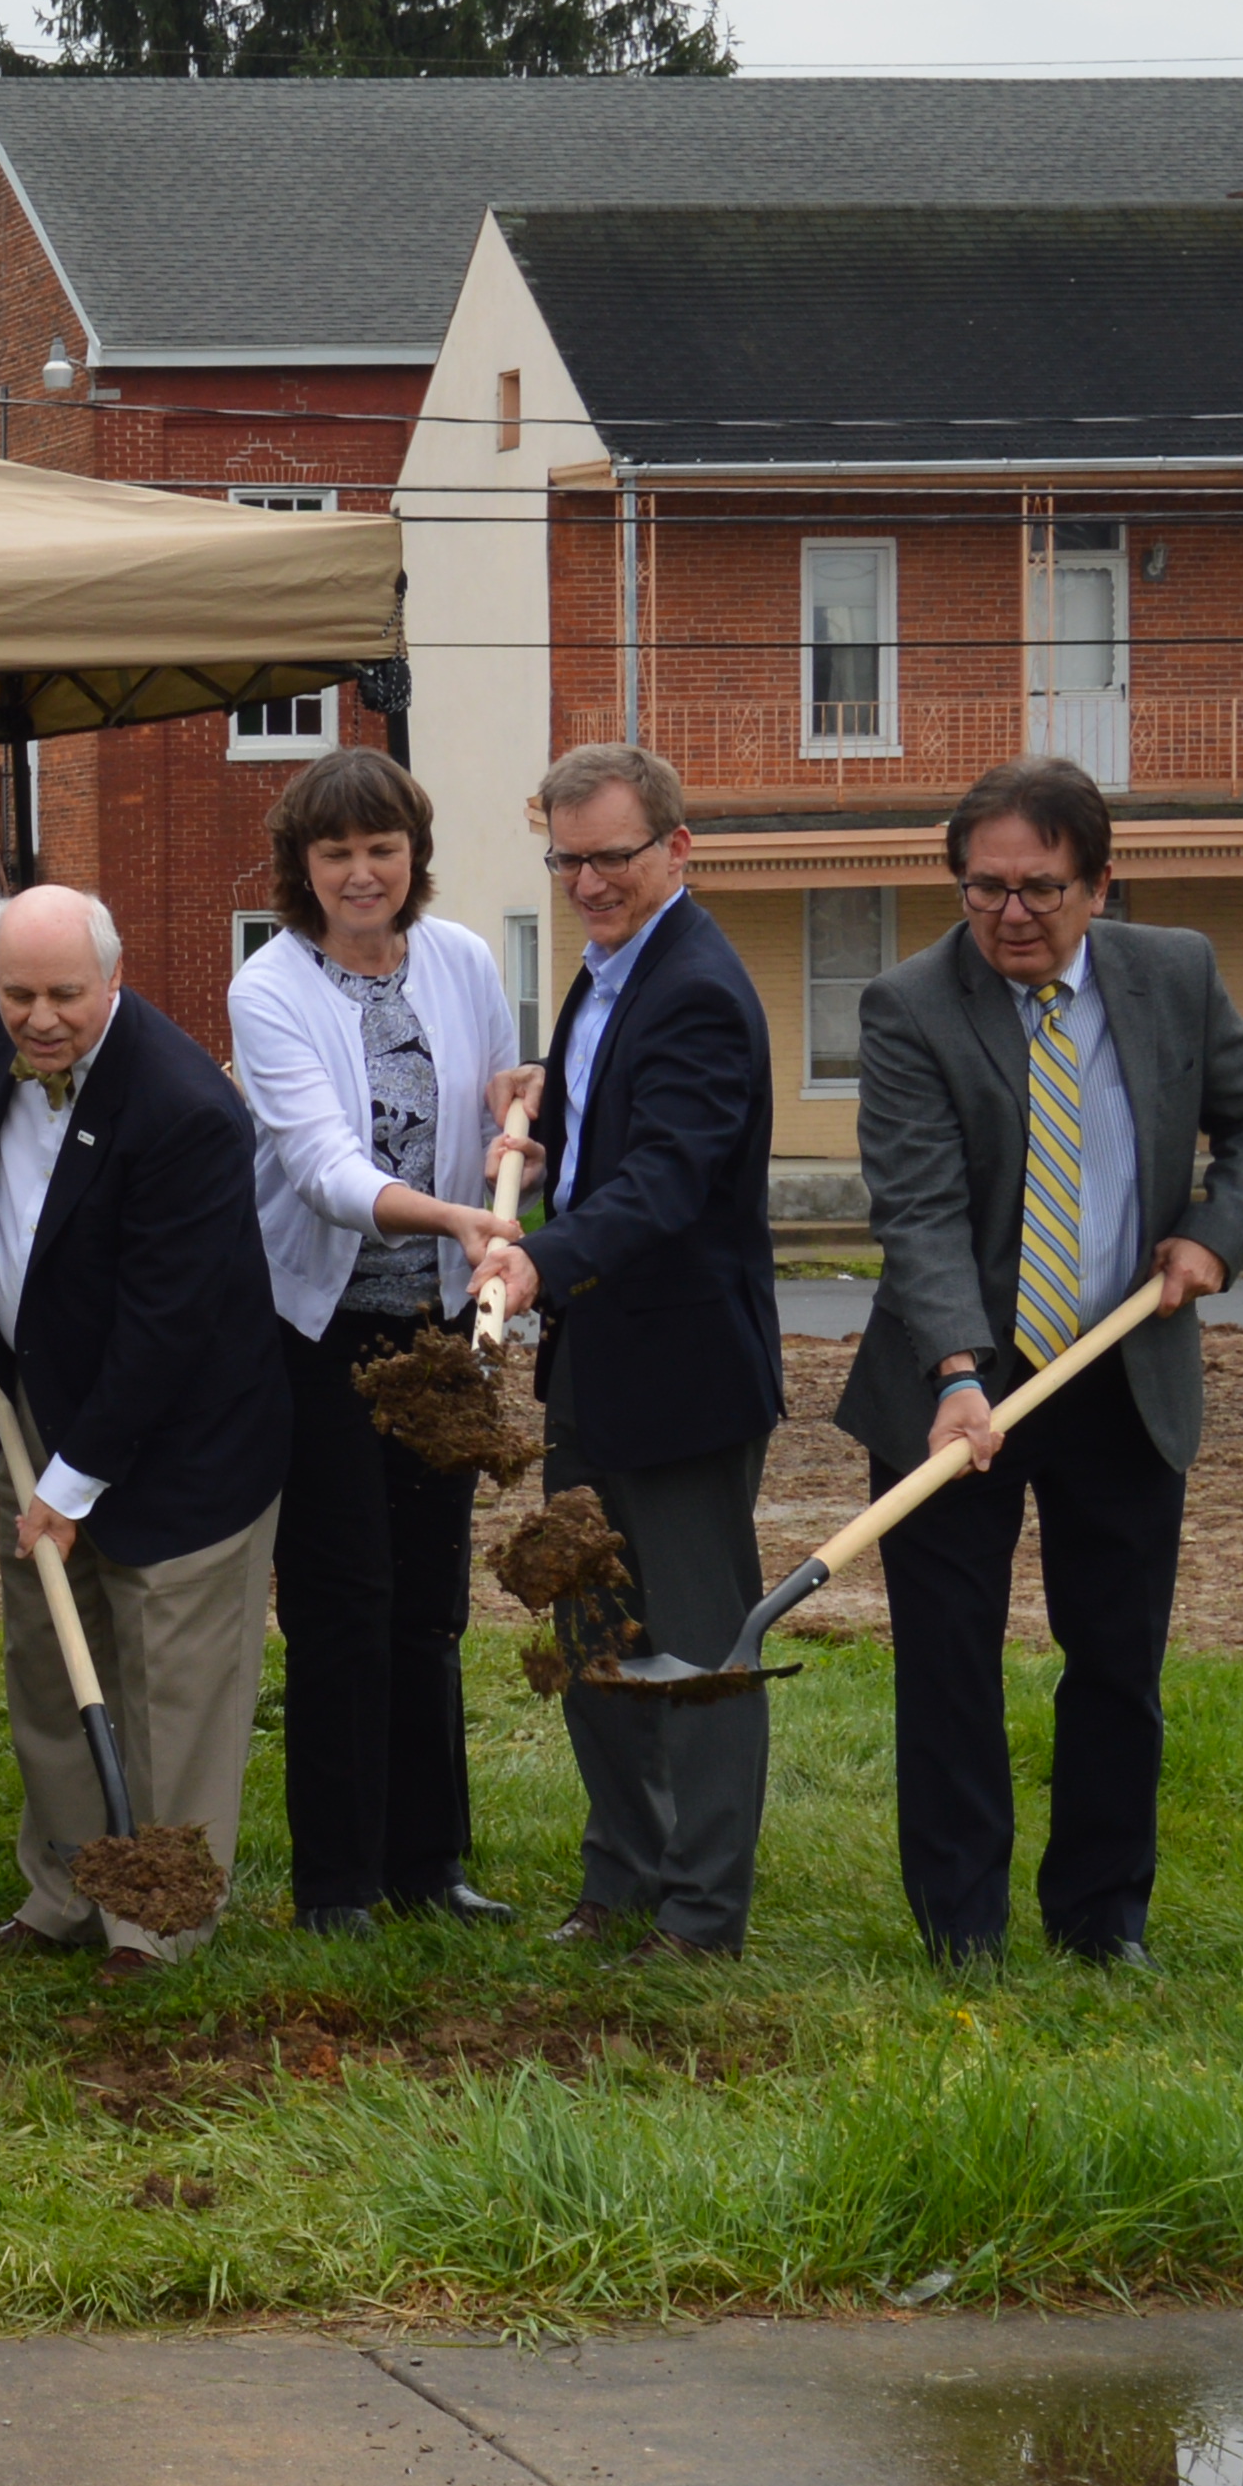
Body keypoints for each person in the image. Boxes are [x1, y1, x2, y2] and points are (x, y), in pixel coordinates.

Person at [841, 758, 1243, 1968]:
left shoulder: (1173, 974)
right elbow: (920, 1211)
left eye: (1039, 887)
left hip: (1121, 1370)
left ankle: (1102, 1921)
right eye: (982, 888)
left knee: (1115, 1660)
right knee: (948, 1666)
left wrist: (1214, 1234)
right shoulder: (908, 1004)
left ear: (1098, 884)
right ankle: (962, 1930)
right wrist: (955, 1373)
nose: (1010, 914)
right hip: (952, 1388)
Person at [0, 887, 292, 1966]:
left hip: (184, 1440)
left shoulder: (185, 1111)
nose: (38, 1019)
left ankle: (157, 1922)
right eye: (18, 994)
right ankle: (69, 1891)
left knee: (170, 1684)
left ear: (114, 978)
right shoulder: (1, 1037)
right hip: (42, 1403)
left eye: (65, 995)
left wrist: (70, 1484)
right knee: (49, 1660)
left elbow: (164, 1327)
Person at [477, 743, 783, 1960]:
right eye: (566, 860)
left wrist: (540, 1258)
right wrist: (550, 1119)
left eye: (611, 856)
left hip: (685, 1379)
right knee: (593, 1634)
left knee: (698, 1654)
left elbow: (667, 1177)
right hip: (594, 1370)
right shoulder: (606, 969)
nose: (588, 882)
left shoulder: (698, 985)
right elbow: (619, 1137)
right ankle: (622, 1876)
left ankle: (702, 1916)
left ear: (676, 847)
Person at [224, 748, 531, 1931]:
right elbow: (320, 1168)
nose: (363, 873)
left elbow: (493, 1101)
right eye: (337, 852)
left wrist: (517, 1113)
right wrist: (450, 1215)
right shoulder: (269, 989)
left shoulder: (459, 960)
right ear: (301, 866)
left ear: (414, 853)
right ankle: (337, 1883)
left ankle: (429, 1865)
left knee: (429, 1598)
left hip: (440, 1328)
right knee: (343, 1598)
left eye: (383, 849)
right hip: (320, 1334)